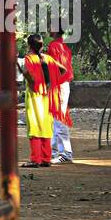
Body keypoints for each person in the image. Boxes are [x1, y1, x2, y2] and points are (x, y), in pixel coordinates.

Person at [20, 34, 68, 168]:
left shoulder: (29, 58)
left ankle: (35, 159)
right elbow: (63, 70)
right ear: (41, 46)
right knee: (46, 127)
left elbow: (31, 81)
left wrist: (27, 76)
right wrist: (52, 82)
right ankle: (46, 158)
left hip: (34, 97)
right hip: (47, 97)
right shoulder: (47, 58)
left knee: (34, 127)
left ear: (29, 45)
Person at [46, 26, 75, 163]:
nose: (48, 29)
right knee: (55, 119)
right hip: (62, 84)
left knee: (58, 119)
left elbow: (55, 67)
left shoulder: (53, 46)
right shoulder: (64, 47)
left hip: (58, 85)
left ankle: (65, 153)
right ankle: (55, 151)